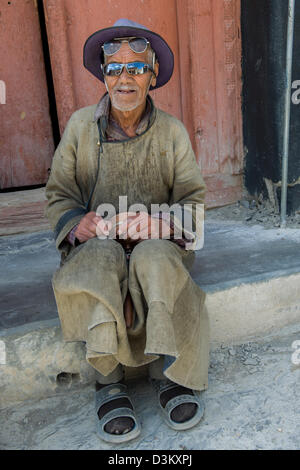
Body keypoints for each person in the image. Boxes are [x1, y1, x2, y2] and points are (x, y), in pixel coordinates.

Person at [45, 18, 209, 444]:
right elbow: (59, 193)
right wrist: (76, 223)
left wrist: (161, 224)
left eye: (136, 68)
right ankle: (109, 380)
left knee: (153, 256)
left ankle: (166, 370)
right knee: (101, 258)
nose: (124, 78)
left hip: (159, 244)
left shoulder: (171, 131)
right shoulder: (82, 127)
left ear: (153, 76)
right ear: (103, 76)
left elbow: (193, 198)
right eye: (114, 68)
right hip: (98, 244)